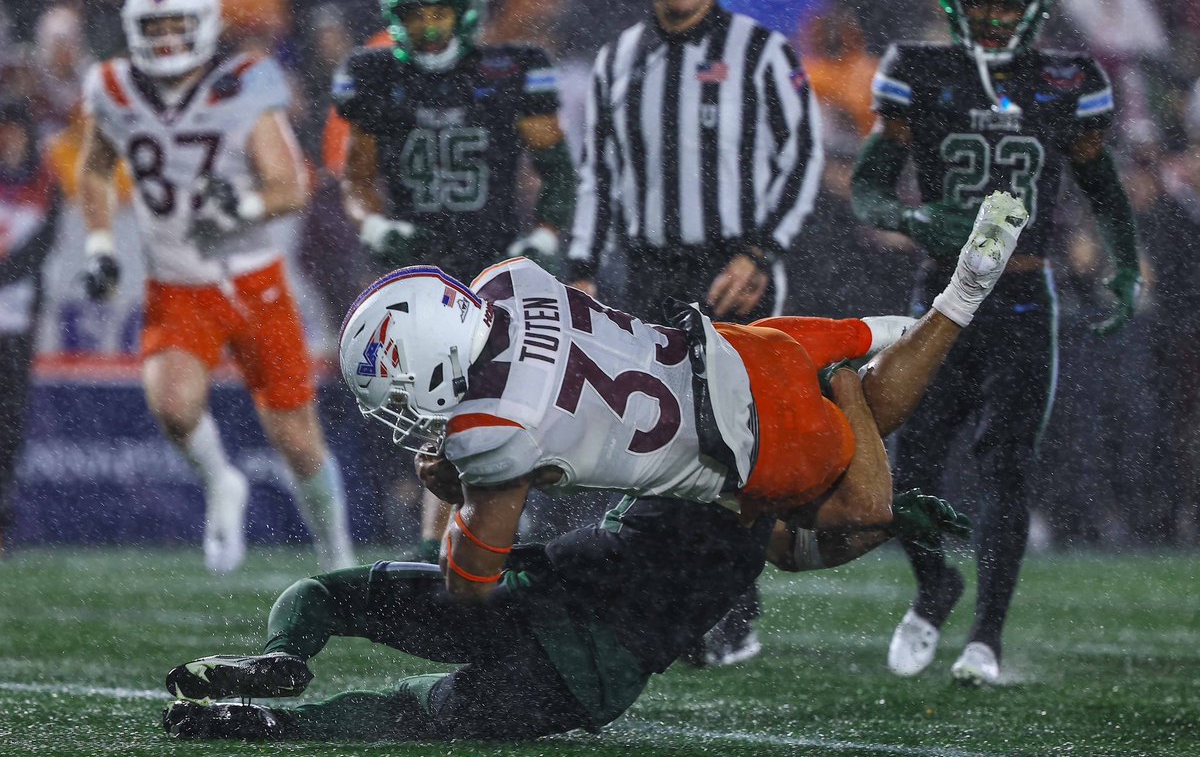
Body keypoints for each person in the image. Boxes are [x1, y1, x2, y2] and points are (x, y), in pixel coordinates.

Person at [158, 190, 1025, 742]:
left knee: (856, 489)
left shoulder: (497, 430)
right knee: (873, 382)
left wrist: (464, 482)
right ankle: (956, 300)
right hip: (723, 354)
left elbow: (469, 582)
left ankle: (276, 693)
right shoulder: (509, 281)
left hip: (702, 496)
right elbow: (580, 316)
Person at [850, 0, 1141, 685]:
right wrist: (919, 217)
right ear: (956, 0)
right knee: (907, 467)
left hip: (1021, 297)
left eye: (1012, 6)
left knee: (1005, 467)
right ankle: (934, 588)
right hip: (943, 297)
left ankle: (987, 638)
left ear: (1038, 6)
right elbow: (868, 190)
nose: (998, 17)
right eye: (983, 1)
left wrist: (1126, 262)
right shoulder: (920, 69)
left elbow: (1100, 185)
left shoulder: (1064, 79)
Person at [565, 0, 824, 666]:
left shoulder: (761, 52)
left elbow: (802, 156)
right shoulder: (618, 57)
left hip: (733, 268)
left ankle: (732, 613)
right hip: (648, 272)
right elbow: (598, 174)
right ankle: (675, 607)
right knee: (657, 447)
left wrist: (762, 252)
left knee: (735, 449)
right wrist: (582, 271)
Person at [77, 0, 355, 574]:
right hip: (177, 286)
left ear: (204, 23)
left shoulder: (245, 83)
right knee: (173, 405)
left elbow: (291, 185)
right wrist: (100, 245)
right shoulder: (114, 88)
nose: (167, 40)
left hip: (252, 279)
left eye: (178, 25)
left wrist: (243, 205)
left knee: (297, 441)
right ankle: (221, 481)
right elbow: (95, 167)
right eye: (154, 28)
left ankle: (336, 556)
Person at [333, 0, 578, 561]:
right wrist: (375, 223)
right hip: (417, 267)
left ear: (464, 15)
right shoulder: (375, 76)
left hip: (493, 263)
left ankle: (457, 534)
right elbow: (356, 178)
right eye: (417, 14)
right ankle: (446, 535)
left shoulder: (509, 71)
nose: (429, 28)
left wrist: (547, 233)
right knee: (428, 406)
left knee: (486, 403)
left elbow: (556, 172)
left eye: (439, 12)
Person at [0, 100, 60, 557]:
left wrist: (8, 273)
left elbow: (45, 244)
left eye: (14, 131)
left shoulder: (43, 180)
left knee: (10, 423)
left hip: (17, 321)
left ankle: (3, 519)